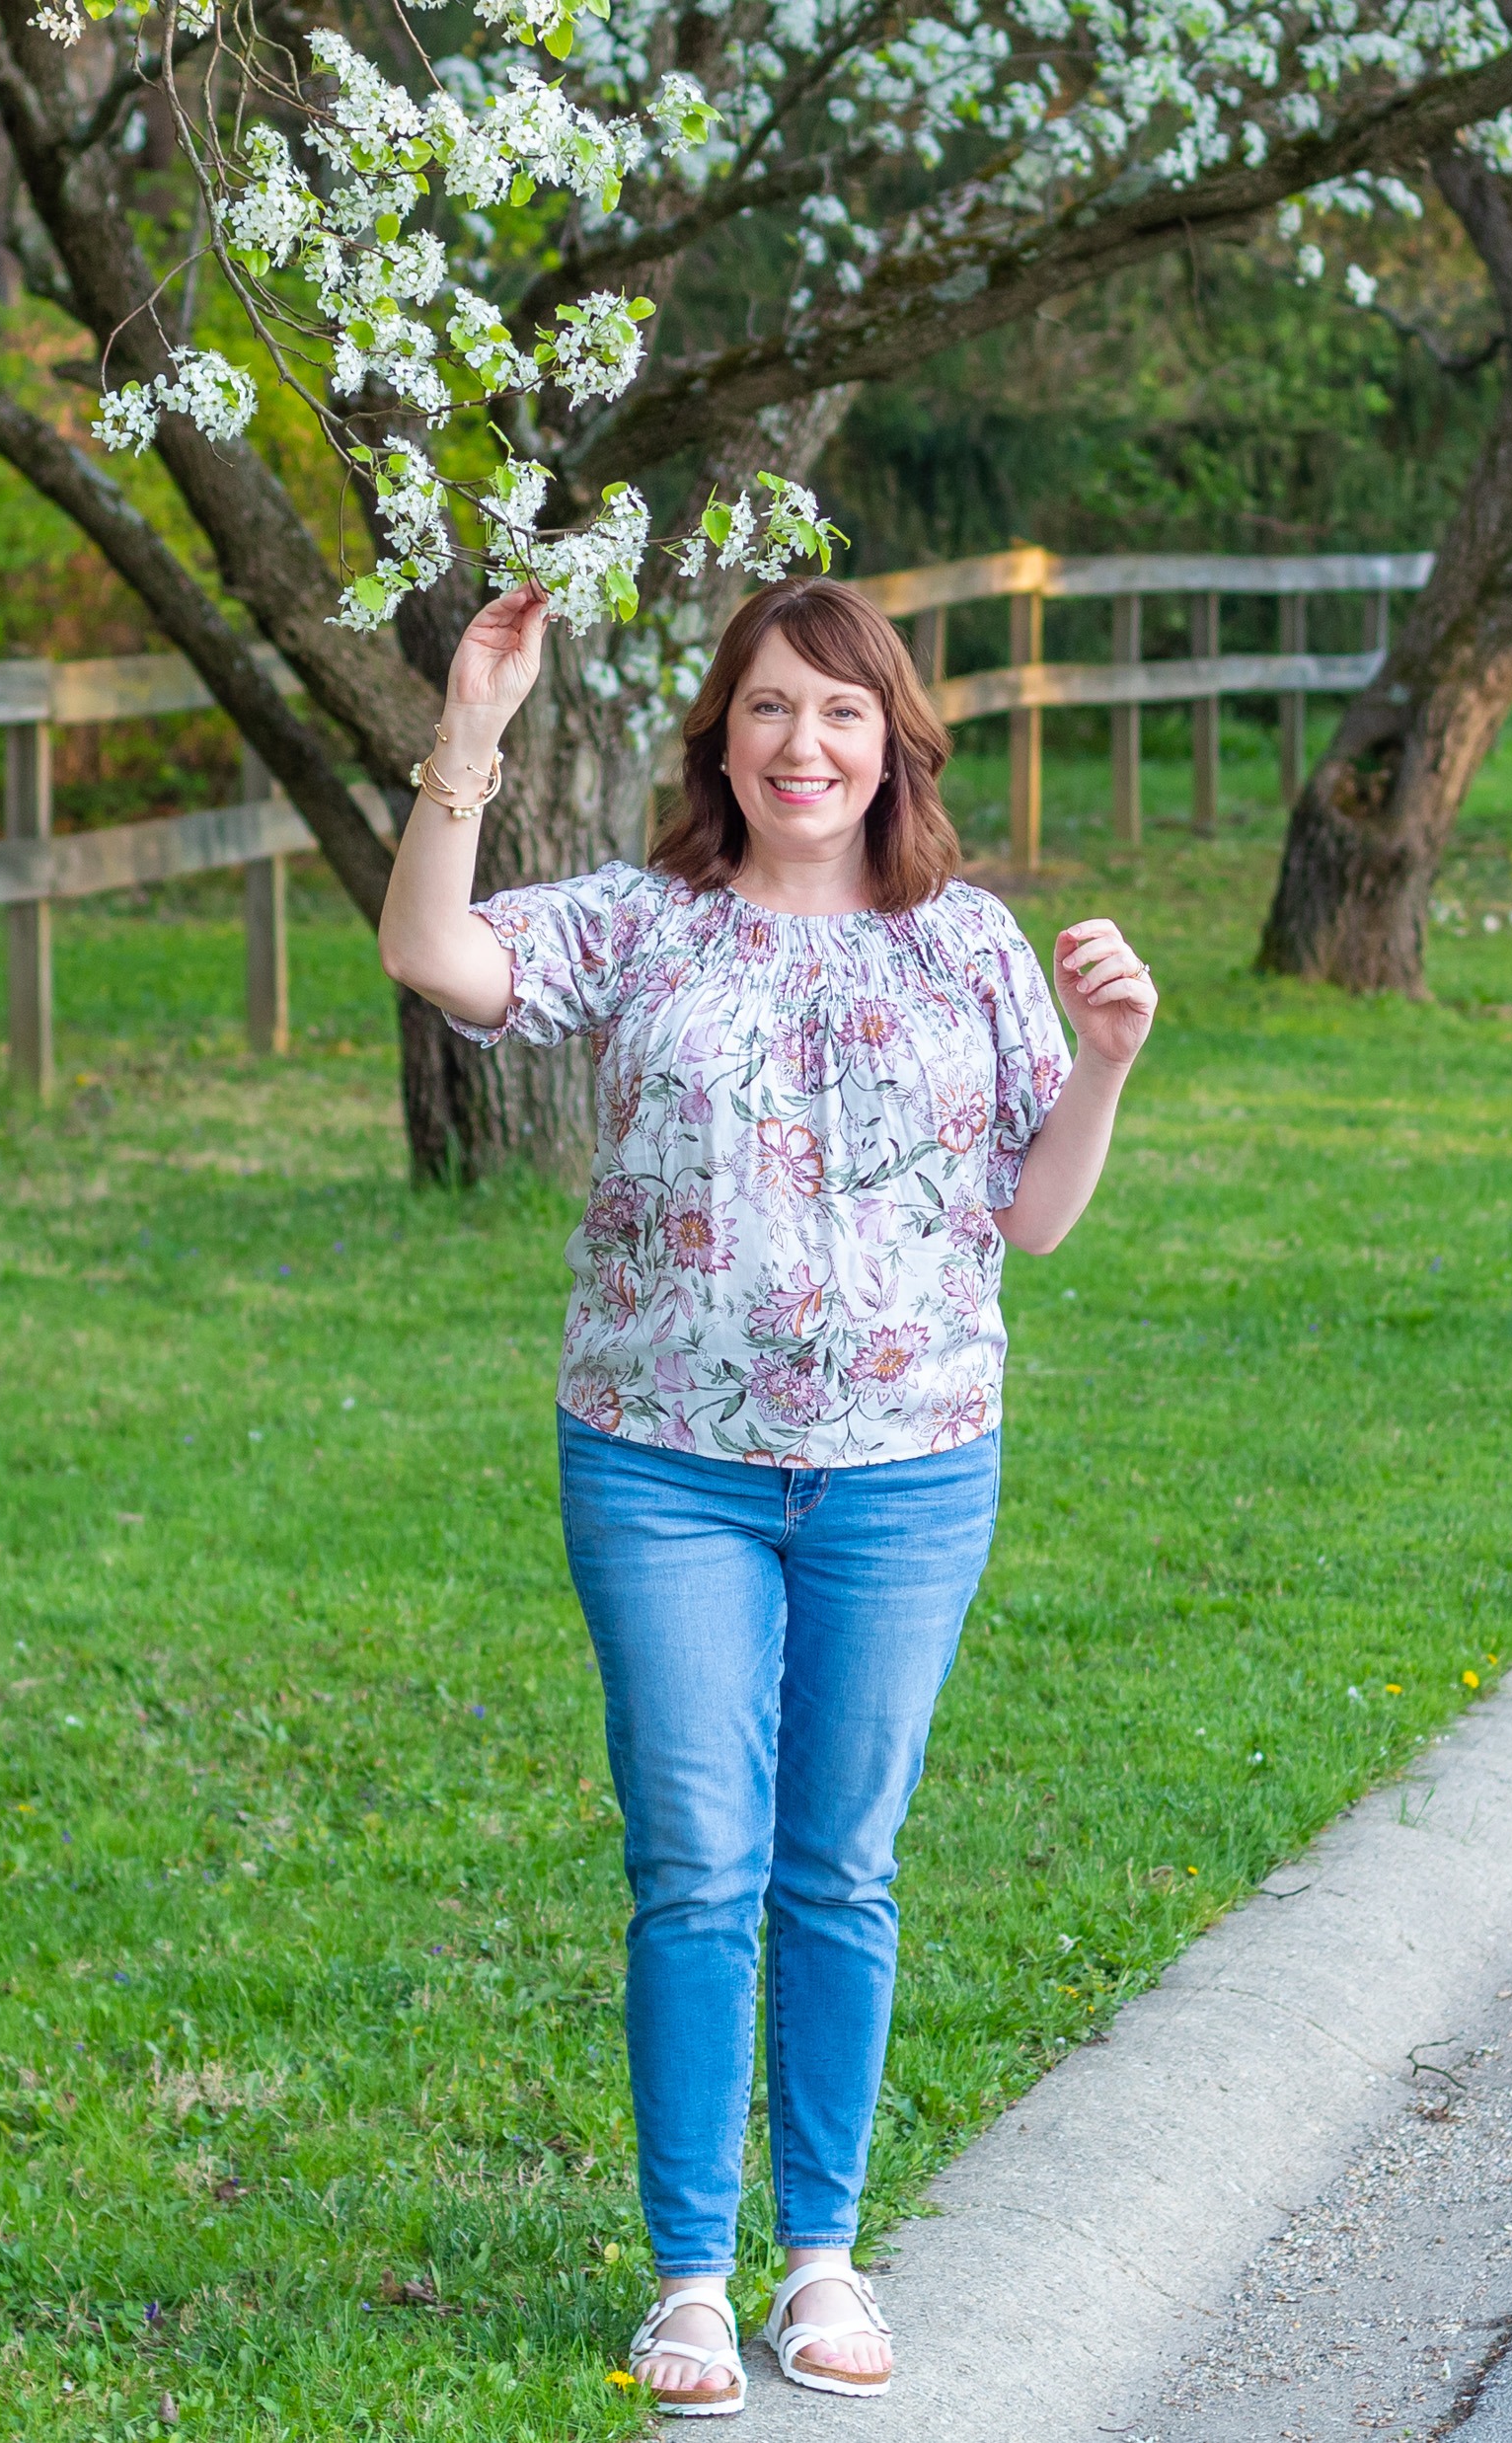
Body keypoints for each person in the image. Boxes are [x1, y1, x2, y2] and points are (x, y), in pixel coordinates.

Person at [380, 574, 1158, 2415]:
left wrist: (1110, 1062)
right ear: (721, 740)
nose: (802, 746)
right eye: (767, 712)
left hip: (907, 1472)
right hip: (662, 1471)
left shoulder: (970, 946)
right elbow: (432, 954)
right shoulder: (641, 927)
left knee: (841, 1866)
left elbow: (1029, 1217)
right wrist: (471, 737)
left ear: (891, 745)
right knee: (695, 1864)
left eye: (839, 714)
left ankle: (821, 2257)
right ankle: (685, 2280)